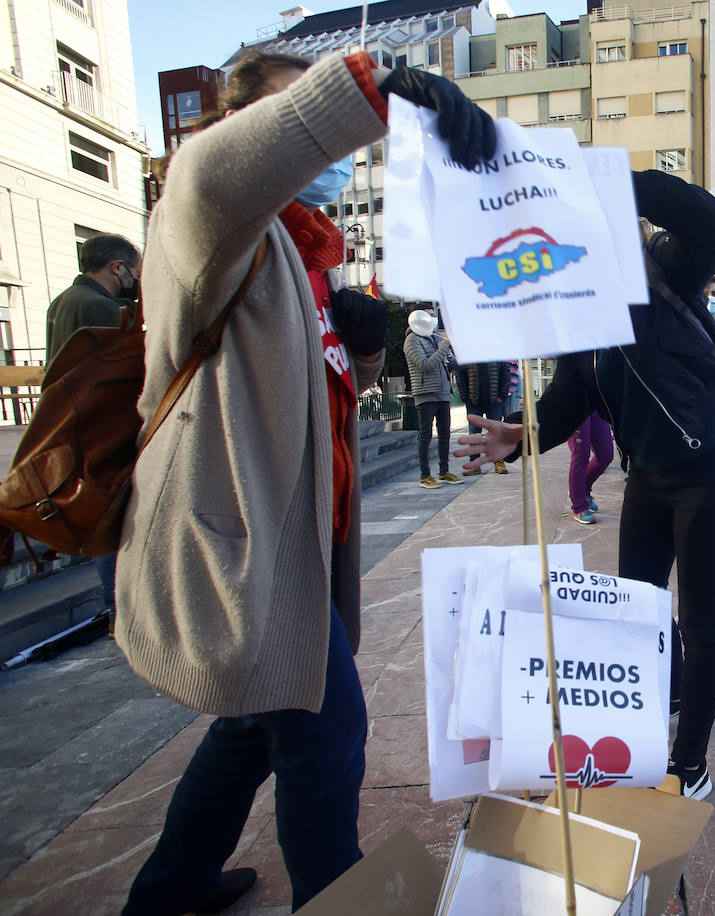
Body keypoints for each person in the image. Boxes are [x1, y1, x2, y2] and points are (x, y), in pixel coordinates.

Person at [115, 50, 495, 914]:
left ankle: (170, 891)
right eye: (296, 122)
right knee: (327, 734)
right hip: (240, 534)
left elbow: (307, 386)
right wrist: (375, 81)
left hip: (292, 533)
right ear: (245, 122)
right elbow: (218, 166)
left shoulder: (301, 249)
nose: (321, 151)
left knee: (251, 728)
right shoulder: (205, 211)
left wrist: (363, 349)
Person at [454, 169, 715, 802]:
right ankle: (663, 700)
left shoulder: (663, 269)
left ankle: (689, 764)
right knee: (637, 613)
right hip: (647, 475)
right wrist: (521, 434)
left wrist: (609, 176)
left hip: (711, 466)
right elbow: (568, 396)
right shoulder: (575, 310)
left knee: (700, 624)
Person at [44, 233, 141, 619]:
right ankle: (121, 607)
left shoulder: (63, 302)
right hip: (100, 427)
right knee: (111, 515)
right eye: (133, 271)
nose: (135, 280)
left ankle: (116, 605)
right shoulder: (101, 307)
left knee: (101, 514)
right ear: (116, 267)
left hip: (73, 425)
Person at [45, 233, 141, 359]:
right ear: (118, 267)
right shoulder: (105, 307)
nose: (137, 280)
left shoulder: (59, 301)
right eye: (137, 273)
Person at [403, 307, 458, 488]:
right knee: (426, 434)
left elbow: (449, 362)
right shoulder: (411, 340)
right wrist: (443, 348)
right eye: (429, 315)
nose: (433, 319)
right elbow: (425, 365)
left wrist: (454, 353)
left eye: (434, 315)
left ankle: (444, 471)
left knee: (445, 434)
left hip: (442, 393)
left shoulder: (435, 338)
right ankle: (425, 475)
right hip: (426, 393)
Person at [455, 360, 511, 475]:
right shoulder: (468, 353)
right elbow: (460, 374)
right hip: (473, 400)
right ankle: (475, 464)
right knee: (474, 434)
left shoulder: (496, 351)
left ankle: (499, 462)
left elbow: (505, 373)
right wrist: (465, 396)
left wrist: (502, 395)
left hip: (494, 400)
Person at [567, 414, 613, 524]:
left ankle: (583, 490)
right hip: (575, 406)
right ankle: (579, 507)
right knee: (580, 455)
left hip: (598, 406)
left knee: (605, 456)